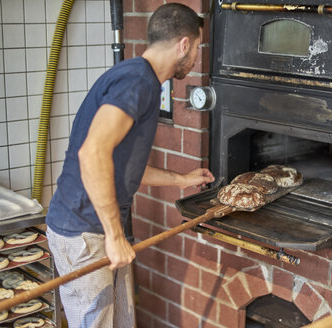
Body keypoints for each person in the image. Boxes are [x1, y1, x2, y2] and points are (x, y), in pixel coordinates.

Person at [45, 4, 213, 327]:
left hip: (100, 231)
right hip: (83, 234)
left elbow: (120, 168)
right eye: (197, 48)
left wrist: (180, 179)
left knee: (121, 321)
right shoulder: (138, 82)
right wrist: (113, 235)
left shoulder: (141, 79)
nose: (195, 58)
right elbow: (92, 154)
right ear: (184, 45)